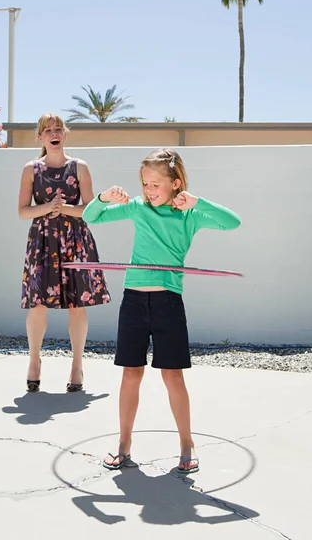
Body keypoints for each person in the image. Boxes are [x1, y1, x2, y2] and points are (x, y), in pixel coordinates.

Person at [83, 148, 241, 472]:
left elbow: (232, 222)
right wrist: (104, 197)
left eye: (156, 183)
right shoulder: (138, 208)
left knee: (173, 375)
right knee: (131, 373)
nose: (149, 190)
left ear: (176, 183)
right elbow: (91, 217)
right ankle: (124, 445)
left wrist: (198, 202)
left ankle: (187, 444)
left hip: (168, 301)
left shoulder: (189, 214)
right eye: (145, 183)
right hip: (134, 301)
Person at [18, 113, 110, 393]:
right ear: (40, 137)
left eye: (58, 128)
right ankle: (34, 362)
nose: (54, 133)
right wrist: (48, 208)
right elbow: (23, 212)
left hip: (75, 240)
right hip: (42, 242)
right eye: (48, 130)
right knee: (37, 304)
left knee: (76, 304)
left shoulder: (79, 167)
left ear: (65, 134)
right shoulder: (30, 169)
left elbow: (92, 210)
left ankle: (77, 366)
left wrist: (66, 209)